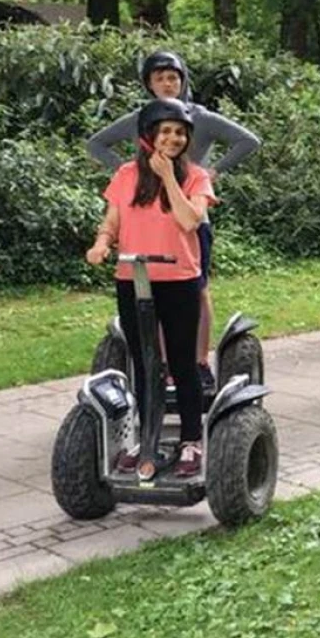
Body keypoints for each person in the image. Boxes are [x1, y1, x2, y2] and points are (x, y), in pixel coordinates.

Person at [87, 50, 261, 387]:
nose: (167, 84)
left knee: (197, 290)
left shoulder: (201, 118)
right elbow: (97, 144)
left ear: (183, 81)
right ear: (149, 85)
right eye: (159, 79)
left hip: (191, 219)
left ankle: (198, 362)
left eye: (173, 77)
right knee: (152, 295)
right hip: (148, 223)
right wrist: (132, 175)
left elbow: (247, 141)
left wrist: (215, 170)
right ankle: (164, 366)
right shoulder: (144, 119)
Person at [86, 99, 213, 477]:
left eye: (180, 132)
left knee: (181, 362)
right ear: (149, 136)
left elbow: (190, 221)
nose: (173, 138)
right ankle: (149, 438)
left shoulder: (196, 177)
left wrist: (169, 177)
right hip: (133, 280)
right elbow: (113, 220)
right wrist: (102, 243)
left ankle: (191, 440)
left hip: (179, 280)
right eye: (166, 131)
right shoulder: (126, 175)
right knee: (144, 363)